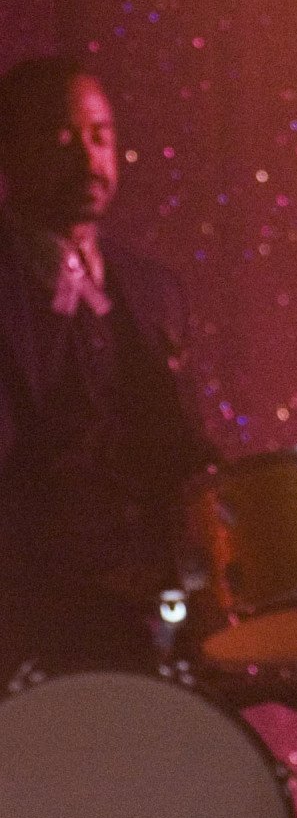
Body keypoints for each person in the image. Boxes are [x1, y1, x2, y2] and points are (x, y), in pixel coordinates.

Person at [0, 56, 216, 672]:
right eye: (60, 137)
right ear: (10, 151)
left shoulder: (152, 289)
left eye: (100, 136)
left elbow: (183, 446)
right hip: (33, 603)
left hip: (153, 589)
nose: (86, 157)